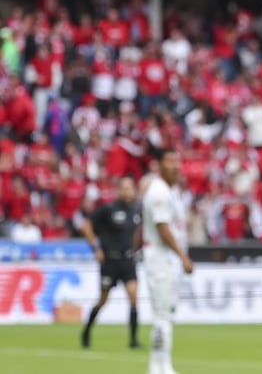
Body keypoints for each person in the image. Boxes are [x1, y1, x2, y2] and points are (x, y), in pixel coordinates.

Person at [142, 148, 193, 374]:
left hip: (166, 260)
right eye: (169, 161)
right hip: (161, 259)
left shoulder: (172, 191)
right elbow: (163, 228)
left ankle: (160, 365)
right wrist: (183, 256)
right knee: (163, 315)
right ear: (159, 165)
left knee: (165, 314)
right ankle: (161, 367)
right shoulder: (159, 192)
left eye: (177, 161)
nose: (175, 166)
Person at [80, 177, 142, 349]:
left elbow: (136, 233)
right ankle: (86, 332)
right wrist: (96, 248)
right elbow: (86, 227)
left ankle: (133, 340)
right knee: (103, 299)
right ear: (118, 190)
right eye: (125, 188)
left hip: (128, 260)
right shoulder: (107, 210)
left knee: (134, 297)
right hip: (110, 261)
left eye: (131, 188)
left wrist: (134, 250)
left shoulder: (135, 212)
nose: (128, 192)